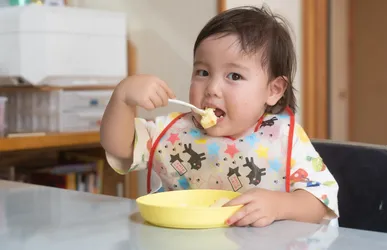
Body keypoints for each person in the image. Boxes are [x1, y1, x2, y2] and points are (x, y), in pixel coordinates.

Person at [100, 5, 339, 227]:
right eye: (203, 72)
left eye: (234, 76)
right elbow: (119, 147)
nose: (212, 88)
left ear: (273, 90)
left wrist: (279, 206)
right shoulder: (173, 131)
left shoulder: (284, 138)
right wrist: (122, 99)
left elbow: (320, 201)